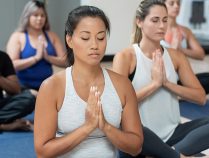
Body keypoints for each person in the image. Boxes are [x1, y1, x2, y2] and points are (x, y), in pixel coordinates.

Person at [112, 0, 209, 157]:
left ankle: (169, 154)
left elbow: (200, 97)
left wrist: (167, 83)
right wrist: (154, 85)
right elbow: (117, 106)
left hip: (173, 134)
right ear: (139, 22)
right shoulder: (125, 57)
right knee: (128, 131)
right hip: (142, 136)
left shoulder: (176, 57)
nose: (161, 26)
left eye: (165, 20)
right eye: (155, 20)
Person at [34, 5, 143, 158]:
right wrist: (87, 127)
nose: (94, 45)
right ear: (69, 40)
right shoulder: (52, 87)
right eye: (85, 38)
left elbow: (136, 146)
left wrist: (105, 126)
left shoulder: (122, 85)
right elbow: (42, 151)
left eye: (101, 38)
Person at [162, 0, 209, 95]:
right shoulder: (158, 30)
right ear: (163, 5)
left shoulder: (185, 31)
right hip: (165, 78)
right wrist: (173, 50)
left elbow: (201, 54)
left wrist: (181, 49)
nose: (176, 6)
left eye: (178, 3)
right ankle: (183, 93)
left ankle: (180, 93)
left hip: (182, 79)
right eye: (172, 3)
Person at [6, 0, 66, 90]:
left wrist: (47, 57)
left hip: (47, 86)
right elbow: (12, 65)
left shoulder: (52, 36)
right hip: (24, 88)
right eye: (35, 15)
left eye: (42, 15)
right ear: (27, 16)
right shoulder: (17, 37)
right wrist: (36, 58)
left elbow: (65, 61)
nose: (39, 19)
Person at [0, 50, 35, 131]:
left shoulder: (2, 56)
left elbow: (16, 90)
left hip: (1, 105)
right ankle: (4, 126)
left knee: (28, 99)